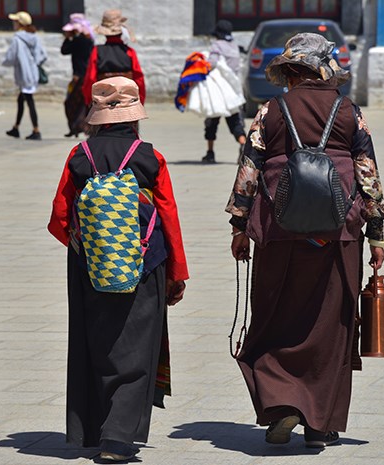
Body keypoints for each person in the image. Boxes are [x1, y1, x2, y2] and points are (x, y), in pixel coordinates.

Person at [226, 33, 384, 448]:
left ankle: (283, 406)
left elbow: (249, 168)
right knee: (331, 324)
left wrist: (240, 226)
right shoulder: (349, 112)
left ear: (293, 71)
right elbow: (367, 173)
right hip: (337, 234)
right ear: (323, 68)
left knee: (276, 316)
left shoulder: (271, 110)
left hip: (279, 231)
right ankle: (320, 425)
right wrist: (376, 234)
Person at [48, 77, 188, 462]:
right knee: (137, 346)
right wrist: (176, 271)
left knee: (94, 342)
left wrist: (94, 250)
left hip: (88, 265)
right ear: (134, 118)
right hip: (145, 263)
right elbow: (168, 216)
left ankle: (90, 429)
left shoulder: (79, 156)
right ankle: (118, 438)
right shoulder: (149, 157)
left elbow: (60, 218)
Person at [202, 20, 246, 164]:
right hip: (233, 91)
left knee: (211, 120)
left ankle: (210, 152)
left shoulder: (216, 45)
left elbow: (212, 63)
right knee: (235, 121)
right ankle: (243, 144)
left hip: (218, 90)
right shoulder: (234, 46)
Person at [81, 10, 145, 107]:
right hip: (127, 105)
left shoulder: (96, 52)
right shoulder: (130, 52)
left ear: (105, 33)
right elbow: (139, 80)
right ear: (121, 32)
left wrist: (89, 100)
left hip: (104, 105)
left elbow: (90, 79)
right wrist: (140, 101)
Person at [3, 11, 47, 140]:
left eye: (15, 21)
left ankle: (36, 130)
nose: (13, 23)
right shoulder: (35, 37)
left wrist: (5, 62)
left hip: (23, 74)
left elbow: (11, 57)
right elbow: (42, 55)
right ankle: (16, 128)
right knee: (21, 99)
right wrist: (33, 63)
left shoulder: (17, 39)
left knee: (29, 100)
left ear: (20, 24)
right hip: (32, 73)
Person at [61, 13, 95, 138]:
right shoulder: (89, 41)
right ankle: (84, 127)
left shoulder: (77, 41)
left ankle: (76, 127)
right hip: (88, 76)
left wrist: (68, 38)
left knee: (70, 102)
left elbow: (64, 50)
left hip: (78, 76)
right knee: (85, 103)